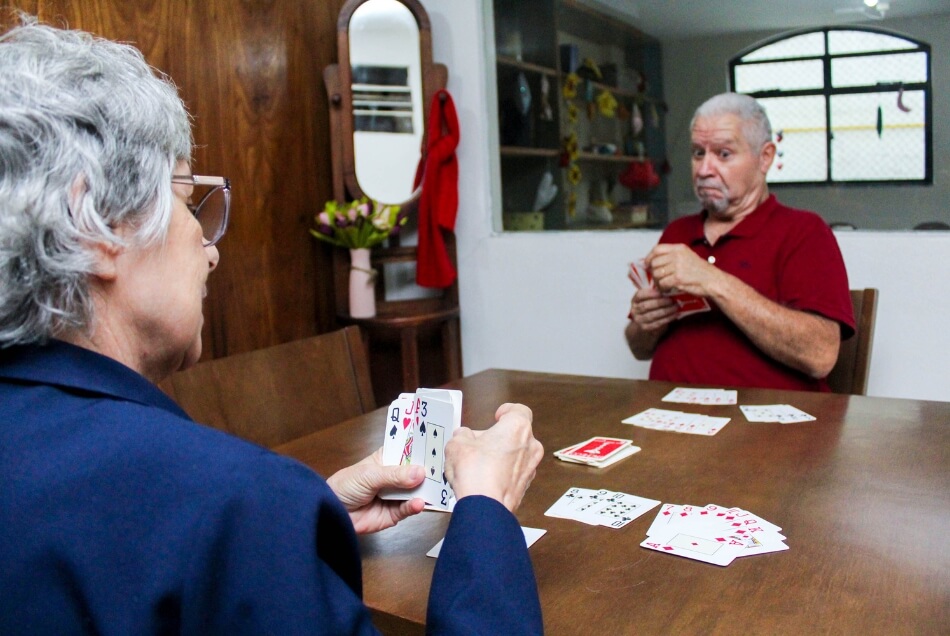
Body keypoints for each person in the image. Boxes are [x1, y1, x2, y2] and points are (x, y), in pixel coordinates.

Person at [0, 18, 544, 634]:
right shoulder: (231, 503)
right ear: (95, 224)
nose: (210, 250)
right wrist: (485, 509)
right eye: (186, 200)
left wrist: (309, 520)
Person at [625, 92, 855, 391]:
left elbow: (820, 356)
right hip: (667, 420)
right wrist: (645, 323)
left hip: (766, 430)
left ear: (765, 157)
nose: (704, 169)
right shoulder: (678, 233)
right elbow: (639, 348)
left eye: (723, 154)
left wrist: (713, 281)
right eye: (697, 153)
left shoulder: (804, 231)